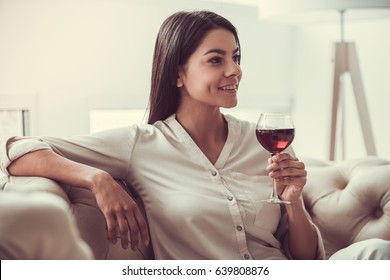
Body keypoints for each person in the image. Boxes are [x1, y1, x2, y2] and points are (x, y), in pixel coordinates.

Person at [1, 10, 325, 260]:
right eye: (216, 59)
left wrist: (293, 202)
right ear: (177, 74)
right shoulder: (141, 144)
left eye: (236, 57)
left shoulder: (264, 142)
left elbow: (305, 259)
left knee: (376, 254)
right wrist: (97, 179)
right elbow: (17, 150)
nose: (235, 70)